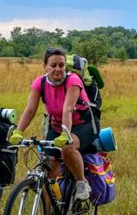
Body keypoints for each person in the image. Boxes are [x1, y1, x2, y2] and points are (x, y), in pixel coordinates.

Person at [13, 47, 95, 205]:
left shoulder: (73, 81)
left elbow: (68, 109)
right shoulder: (40, 82)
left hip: (83, 124)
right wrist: (18, 131)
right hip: (57, 125)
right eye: (53, 65)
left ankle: (81, 183)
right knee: (47, 171)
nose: (58, 69)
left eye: (61, 65)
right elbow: (30, 110)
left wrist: (66, 135)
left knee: (67, 148)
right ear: (45, 65)